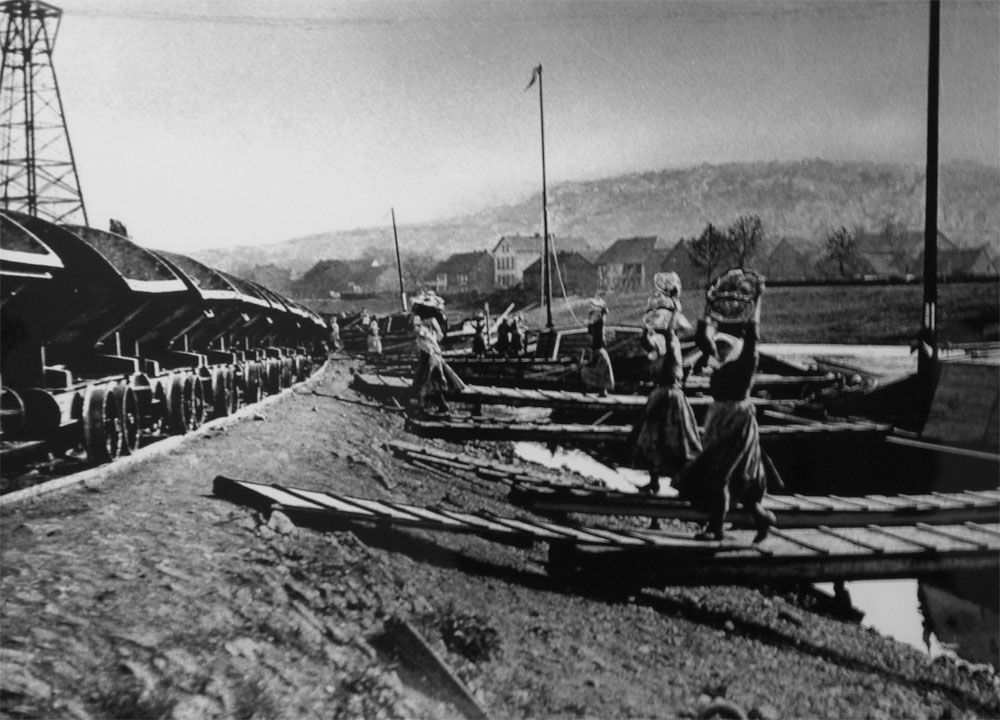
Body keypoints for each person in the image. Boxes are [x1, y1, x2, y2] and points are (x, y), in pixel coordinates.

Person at [673, 269, 781, 544]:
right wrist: (706, 310)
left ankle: (717, 528)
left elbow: (753, 335)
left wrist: (758, 300)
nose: (717, 350)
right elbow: (702, 339)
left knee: (718, 474)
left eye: (722, 346)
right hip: (721, 419)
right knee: (731, 479)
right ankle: (762, 518)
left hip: (737, 421)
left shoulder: (746, 362)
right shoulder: (720, 361)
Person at [631, 272, 701, 495]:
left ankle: (684, 482)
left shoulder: (672, 341)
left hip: (671, 394)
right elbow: (648, 344)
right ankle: (654, 481)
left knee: (678, 441)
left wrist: (675, 308)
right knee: (652, 438)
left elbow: (671, 331)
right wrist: (646, 329)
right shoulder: (662, 341)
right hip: (661, 392)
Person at [411, 292, 465, 414]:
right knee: (431, 379)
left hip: (430, 353)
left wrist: (429, 335)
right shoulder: (428, 320)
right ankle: (436, 404)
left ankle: (424, 404)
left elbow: (420, 333)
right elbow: (440, 335)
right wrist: (432, 335)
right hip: (430, 352)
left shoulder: (423, 320)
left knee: (427, 378)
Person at [579, 293, 615, 396]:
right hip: (597, 352)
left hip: (599, 353)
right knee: (598, 372)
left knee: (592, 371)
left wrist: (591, 318)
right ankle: (602, 391)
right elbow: (590, 327)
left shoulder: (599, 322)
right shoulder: (596, 324)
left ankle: (602, 391)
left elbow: (596, 321)